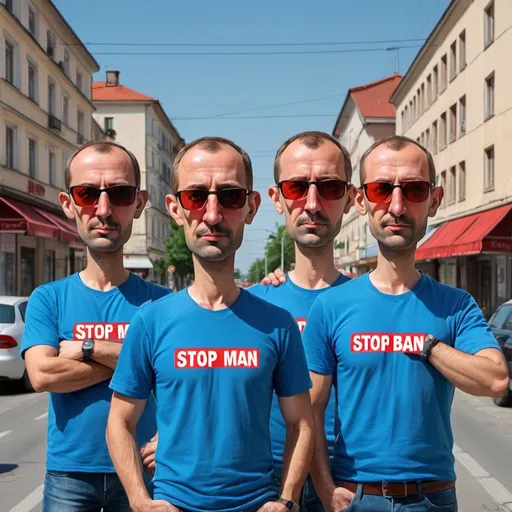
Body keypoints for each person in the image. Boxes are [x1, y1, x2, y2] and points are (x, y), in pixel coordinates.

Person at [106, 136, 314, 512]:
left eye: (230, 197)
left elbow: (301, 423)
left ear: (251, 207)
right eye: (196, 196)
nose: (213, 214)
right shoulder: (151, 322)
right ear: (175, 208)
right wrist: (139, 500)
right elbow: (119, 422)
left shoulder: (278, 325)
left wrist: (286, 499)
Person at [302, 135, 509, 512]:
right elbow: (309, 411)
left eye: (413, 190)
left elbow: (495, 379)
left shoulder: (456, 306)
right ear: (362, 200)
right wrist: (325, 486)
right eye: (382, 189)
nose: (397, 206)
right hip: (355, 497)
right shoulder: (330, 307)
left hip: (433, 499)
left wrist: (429, 346)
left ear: (434, 199)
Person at [21, 141, 171, 511]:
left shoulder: (163, 303)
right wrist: (138, 363)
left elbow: (180, 385)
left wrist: (86, 349)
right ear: (68, 203)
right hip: (69, 476)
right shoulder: (48, 298)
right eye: (88, 193)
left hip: (147, 470)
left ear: (139, 202)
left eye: (119, 194)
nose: (103, 209)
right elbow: (42, 375)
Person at [249, 131, 355, 511]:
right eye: (296, 187)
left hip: (348, 480)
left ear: (349, 198)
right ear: (277, 199)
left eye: (328, 187)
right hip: (267, 481)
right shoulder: (256, 302)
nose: (312, 203)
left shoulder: (366, 303)